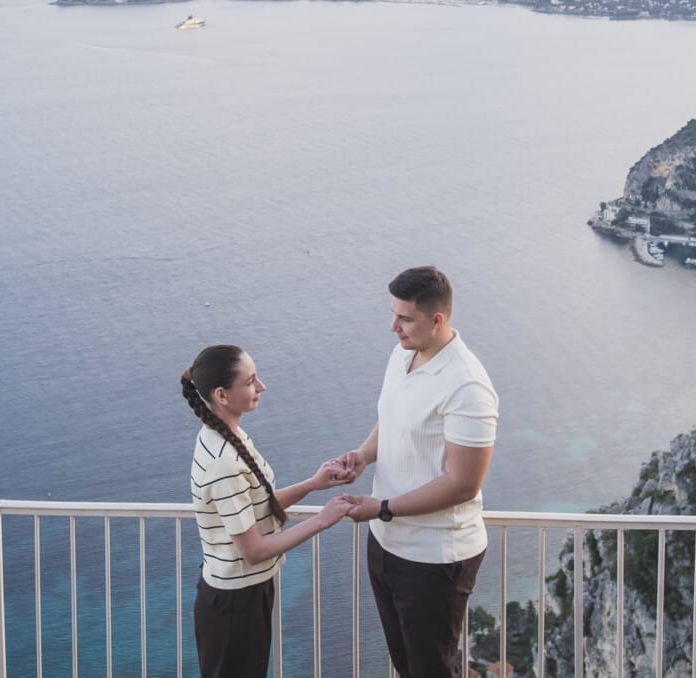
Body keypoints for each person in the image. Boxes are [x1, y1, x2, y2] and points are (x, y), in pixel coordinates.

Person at [336, 266, 499, 678]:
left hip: (435, 556)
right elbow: (393, 417)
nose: (393, 326)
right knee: (406, 665)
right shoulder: (402, 354)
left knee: (431, 670)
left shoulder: (467, 386)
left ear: (437, 319)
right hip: (387, 542)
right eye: (393, 314)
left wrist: (382, 507)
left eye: (404, 318)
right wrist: (363, 454)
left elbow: (463, 484)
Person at [181, 344, 355, 678]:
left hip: (244, 594)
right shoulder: (223, 462)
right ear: (221, 395)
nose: (262, 386)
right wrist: (322, 519)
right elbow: (253, 551)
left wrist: (312, 484)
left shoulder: (227, 437)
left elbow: (256, 504)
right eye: (250, 381)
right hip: (233, 604)